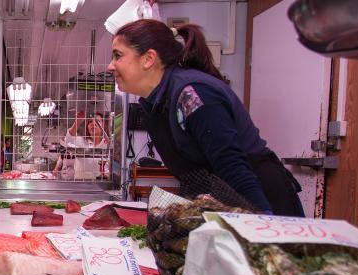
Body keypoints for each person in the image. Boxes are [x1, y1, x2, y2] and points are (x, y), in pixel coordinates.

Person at [108, 19, 303, 216]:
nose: (111, 66)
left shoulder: (192, 93)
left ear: (148, 58)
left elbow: (231, 165)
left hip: (258, 199)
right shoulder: (158, 101)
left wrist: (261, 222)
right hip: (226, 203)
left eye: (118, 56)